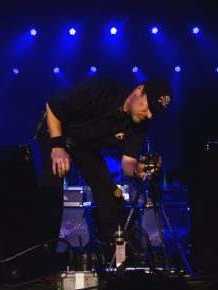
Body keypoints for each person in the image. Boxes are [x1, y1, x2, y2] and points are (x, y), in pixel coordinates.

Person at [34, 76, 172, 250]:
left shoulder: (139, 126)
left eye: (155, 113)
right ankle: (43, 251)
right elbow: (53, 106)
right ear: (139, 90)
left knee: (109, 192)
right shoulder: (100, 88)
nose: (150, 115)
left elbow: (127, 163)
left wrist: (138, 170)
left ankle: (111, 251)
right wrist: (57, 147)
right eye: (149, 107)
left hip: (82, 146)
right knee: (52, 182)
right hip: (54, 132)